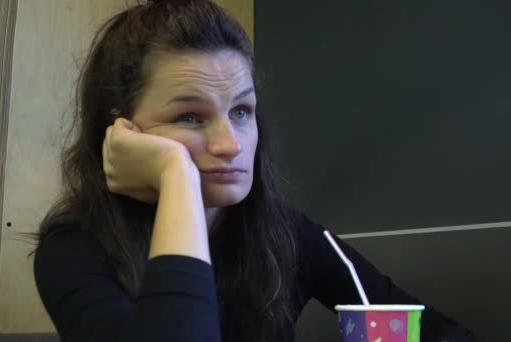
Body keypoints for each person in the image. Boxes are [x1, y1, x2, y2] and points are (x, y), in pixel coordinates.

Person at [33, 0, 476, 341]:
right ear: (122, 131)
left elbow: (435, 330)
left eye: (242, 111)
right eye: (189, 116)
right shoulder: (74, 250)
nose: (230, 144)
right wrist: (176, 177)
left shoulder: (284, 233)